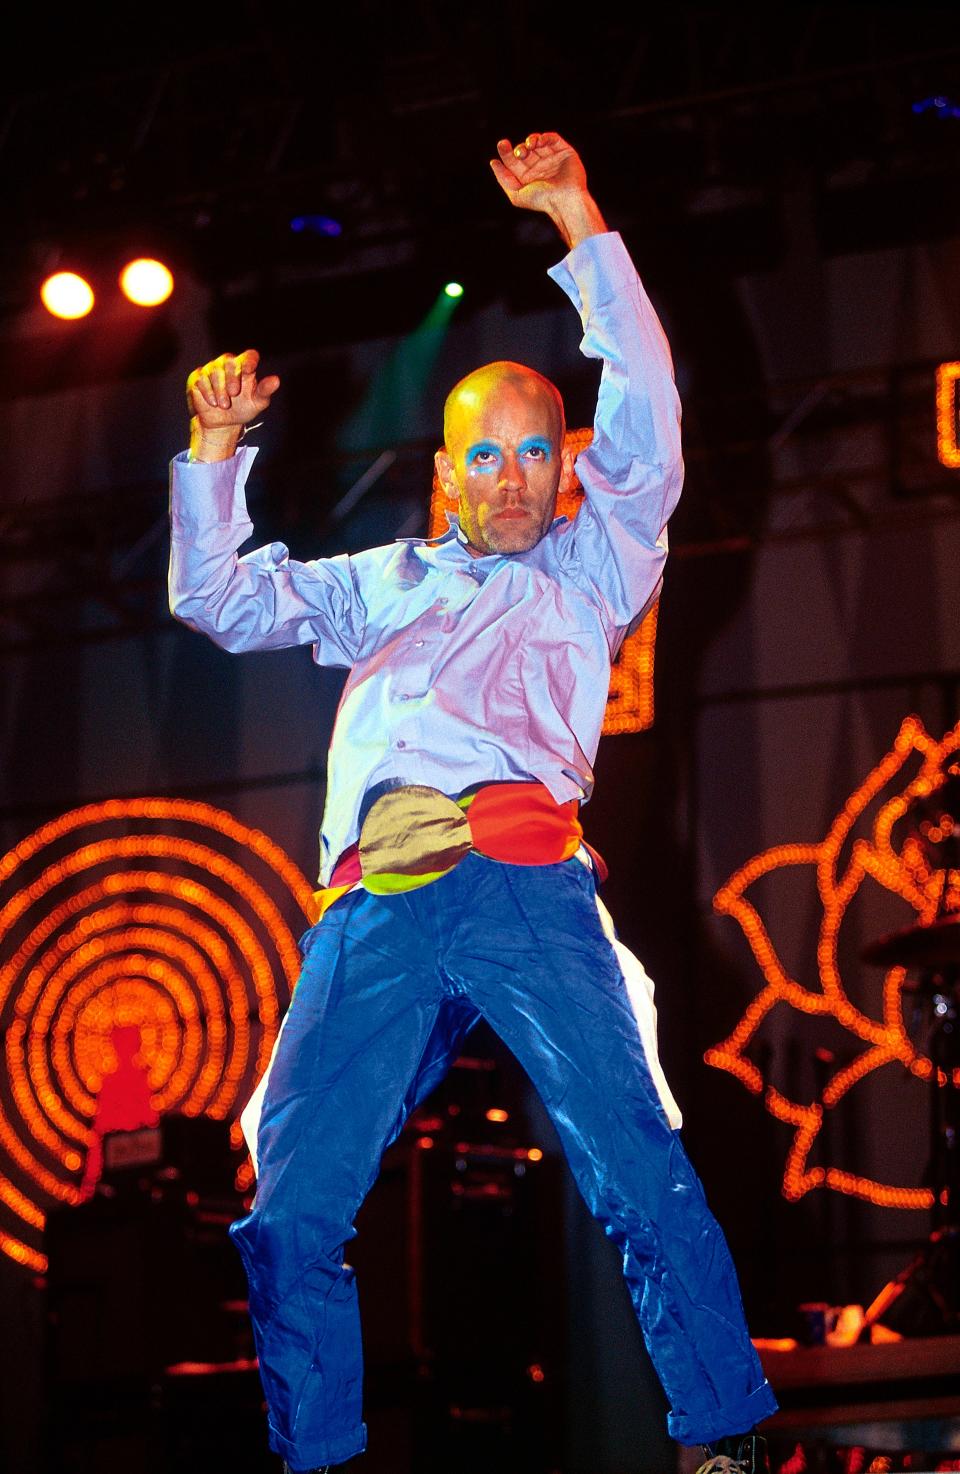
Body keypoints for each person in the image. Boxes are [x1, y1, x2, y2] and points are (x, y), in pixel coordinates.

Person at [168, 131, 777, 1474]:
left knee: (636, 1163)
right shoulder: (384, 580)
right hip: (375, 908)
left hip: (525, 888)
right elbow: (218, 599)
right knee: (287, 1206)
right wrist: (216, 457)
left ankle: (723, 1436)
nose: (512, 477)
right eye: (483, 457)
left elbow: (652, 418)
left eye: (534, 452)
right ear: (445, 473)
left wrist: (579, 221)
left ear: (565, 466)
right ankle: (318, 1453)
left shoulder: (594, 566)